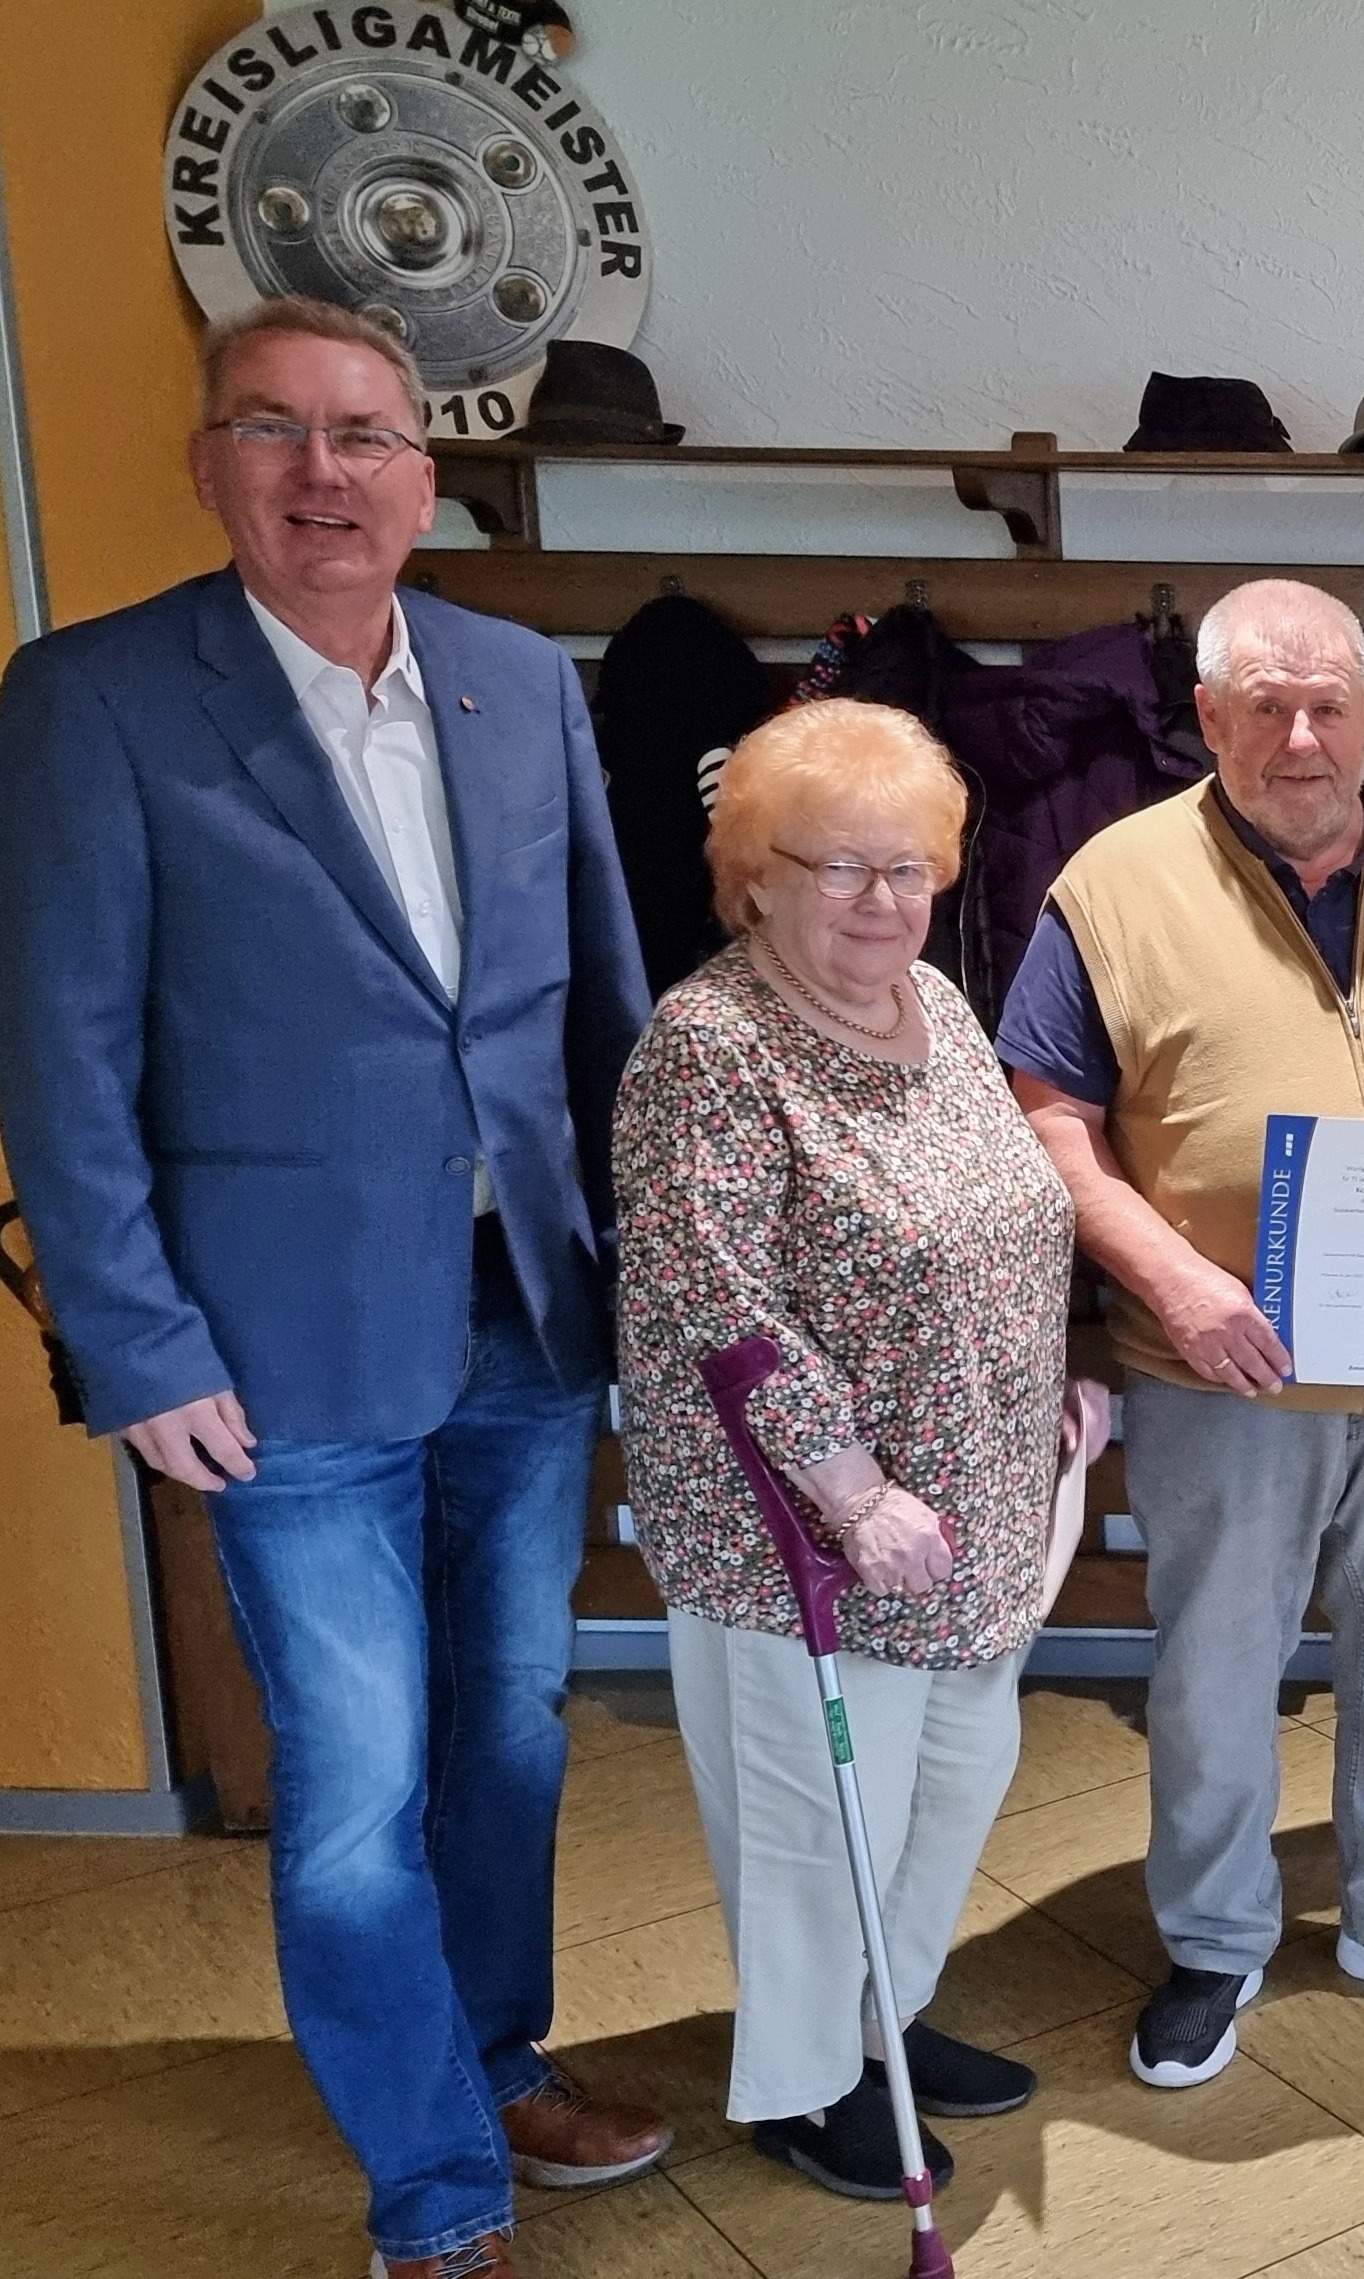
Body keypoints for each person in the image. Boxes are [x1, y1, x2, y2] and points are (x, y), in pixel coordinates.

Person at [0, 297, 660, 2279]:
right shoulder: (94, 696)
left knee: (518, 1730)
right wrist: (128, 1334)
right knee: (359, 1778)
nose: (323, 472)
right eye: (274, 430)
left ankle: (493, 2051)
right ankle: (435, 2183)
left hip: (523, 1316)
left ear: (424, 471)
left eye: (364, 433)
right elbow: (60, 1053)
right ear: (212, 463)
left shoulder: (515, 677)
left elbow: (603, 1008)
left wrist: (654, 1268)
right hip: (275, 1353)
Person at [1000, 578, 1364, 2088]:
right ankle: (1211, 1938)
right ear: (1207, 716)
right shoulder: (1111, 883)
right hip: (1219, 1359)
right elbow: (1045, 1113)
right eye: (1266, 703)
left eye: (1330, 703)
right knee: (1213, 1660)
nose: (1303, 733)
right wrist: (1170, 1279)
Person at [613, 699, 1107, 2201]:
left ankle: (878, 2019)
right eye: (838, 868)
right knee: (818, 1826)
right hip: (810, 1538)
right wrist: (851, 1491)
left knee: (953, 1780)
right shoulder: (710, 1045)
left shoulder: (940, 1006)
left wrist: (1050, 1390)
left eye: (910, 868)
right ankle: (801, 2082)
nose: (881, 903)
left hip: (974, 1510)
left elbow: (999, 1220)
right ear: (753, 873)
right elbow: (715, 1295)